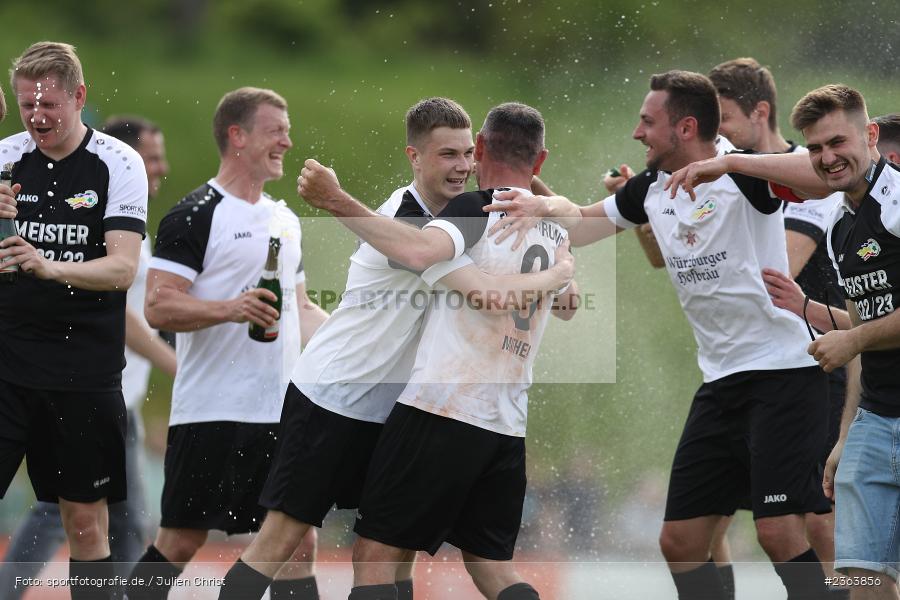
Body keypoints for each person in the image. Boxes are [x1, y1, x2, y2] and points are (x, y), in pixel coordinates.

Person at [489, 71, 833, 600]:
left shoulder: (741, 175)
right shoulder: (648, 189)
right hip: (720, 382)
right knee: (681, 540)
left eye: (648, 122)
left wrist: (733, 160)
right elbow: (582, 223)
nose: (637, 132)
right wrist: (540, 207)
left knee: (781, 532)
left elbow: (825, 172)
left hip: (785, 374)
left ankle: (847, 590)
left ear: (686, 126)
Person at [216, 97, 574, 600]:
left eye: (465, 155)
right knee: (283, 542)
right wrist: (336, 200)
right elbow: (417, 250)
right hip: (334, 396)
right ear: (414, 157)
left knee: (391, 550)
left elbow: (545, 260)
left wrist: (544, 202)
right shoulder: (406, 214)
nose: (461, 167)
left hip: (396, 409)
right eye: (446, 155)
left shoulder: (467, 217)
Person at [670, 86, 900, 599]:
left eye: (837, 142)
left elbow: (861, 336)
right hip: (879, 418)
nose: (826, 158)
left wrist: (730, 165)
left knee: (825, 539)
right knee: (863, 574)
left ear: (871, 135)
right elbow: (866, 324)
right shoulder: (843, 223)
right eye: (815, 149)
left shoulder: (896, 203)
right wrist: (810, 311)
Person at [124, 87, 327, 600]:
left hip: (281, 411)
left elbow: (301, 311)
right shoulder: (194, 215)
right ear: (237, 136)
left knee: (299, 541)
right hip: (213, 410)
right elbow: (158, 307)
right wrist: (231, 308)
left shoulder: (286, 218)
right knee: (181, 540)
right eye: (275, 129)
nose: (287, 139)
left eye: (287, 128)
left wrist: (363, 342)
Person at [0, 116, 177, 599]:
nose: (160, 167)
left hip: (113, 400)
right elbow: (122, 318)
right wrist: (175, 365)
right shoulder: (99, 224)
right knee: (95, 520)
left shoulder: (131, 227)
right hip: (89, 395)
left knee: (86, 520)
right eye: (151, 156)